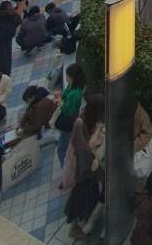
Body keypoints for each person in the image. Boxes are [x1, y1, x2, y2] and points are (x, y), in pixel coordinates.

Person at [64, 94, 106, 240]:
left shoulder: (91, 121)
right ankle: (75, 227)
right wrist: (94, 147)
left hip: (89, 173)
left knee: (89, 197)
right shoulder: (80, 124)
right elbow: (83, 151)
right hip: (83, 174)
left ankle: (82, 222)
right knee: (80, 201)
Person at [56, 62, 86, 166]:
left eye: (67, 76)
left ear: (73, 77)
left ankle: (65, 169)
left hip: (69, 122)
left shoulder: (75, 94)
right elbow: (65, 96)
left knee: (62, 148)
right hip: (68, 121)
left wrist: (60, 103)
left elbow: (68, 110)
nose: (66, 78)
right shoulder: (71, 86)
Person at [0, 0, 21, 75]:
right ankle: (6, 72)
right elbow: (19, 21)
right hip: (8, 38)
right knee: (7, 55)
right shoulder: (14, 15)